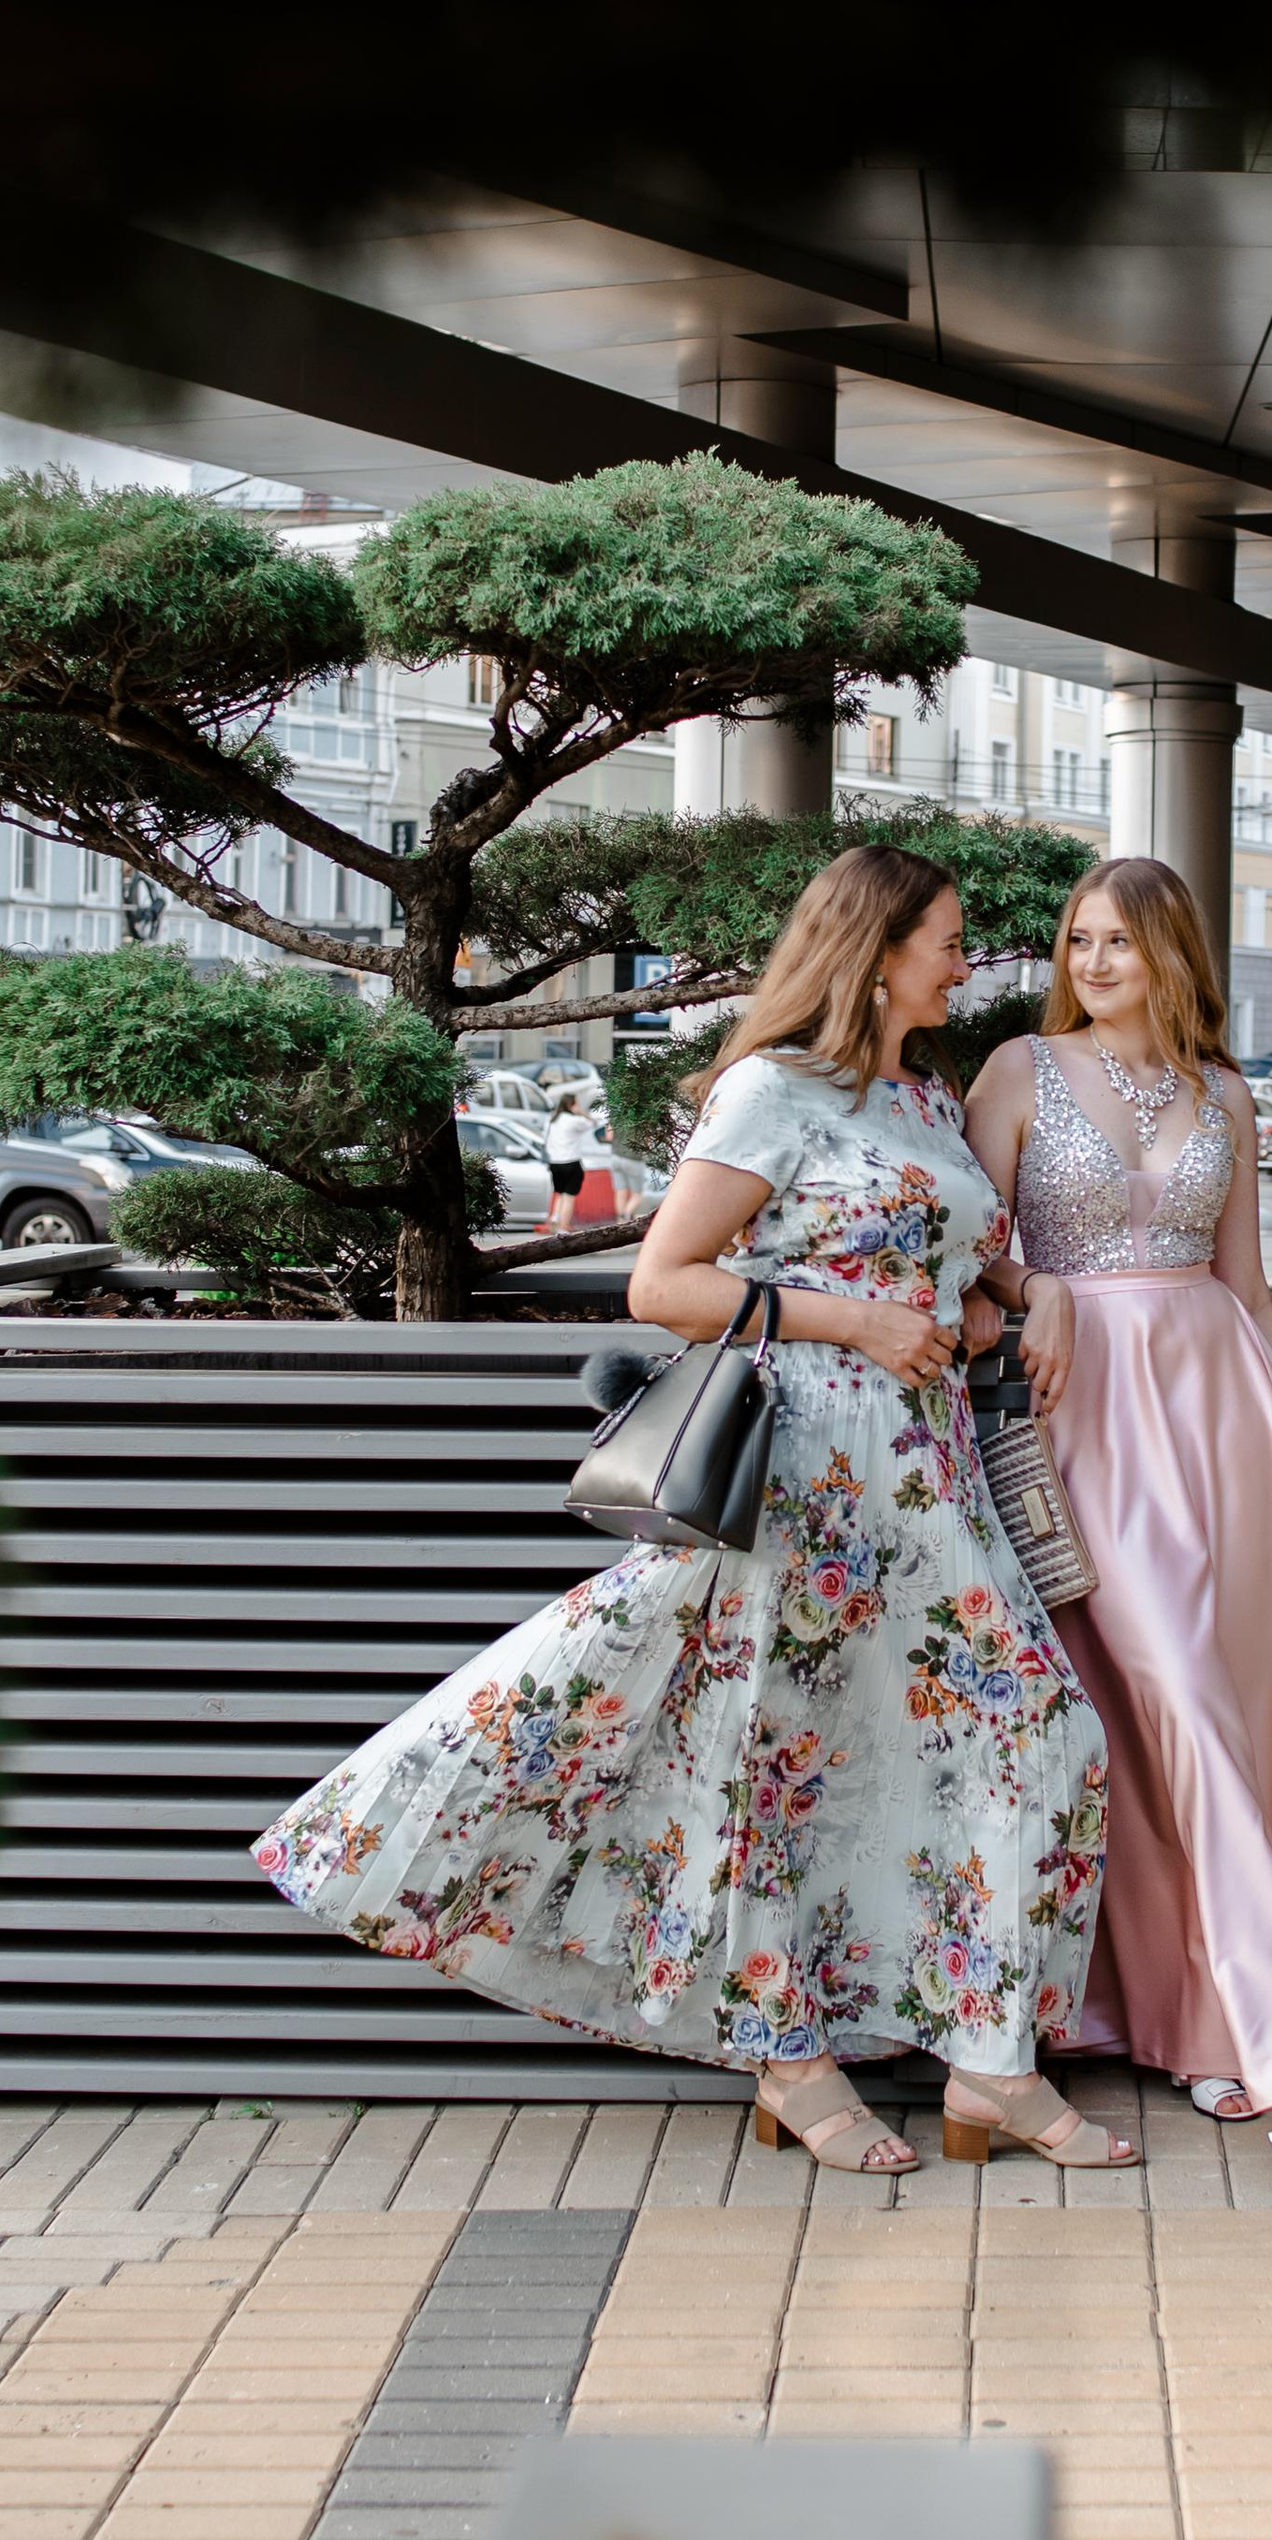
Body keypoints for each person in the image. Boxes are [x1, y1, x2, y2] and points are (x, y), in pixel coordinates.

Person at [253, 843, 1125, 2180]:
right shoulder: (772, 1091)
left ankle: (990, 2062)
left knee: (1034, 1730)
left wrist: (1031, 1287)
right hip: (803, 1470)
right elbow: (661, 1281)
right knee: (771, 1757)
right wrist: (854, 1317)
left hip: (924, 1475)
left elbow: (962, 1254)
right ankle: (793, 2060)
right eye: (948, 937)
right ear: (877, 945)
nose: (970, 960)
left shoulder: (921, 1094)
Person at [966, 856, 1272, 2169]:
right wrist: (1041, 1288)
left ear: (1174, 951)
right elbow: (962, 1248)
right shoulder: (1018, 1072)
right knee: (1176, 1698)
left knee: (1202, 1719)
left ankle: (1189, 2017)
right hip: (1083, 1416)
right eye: (1078, 938)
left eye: (1118, 941)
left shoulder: (1231, 1096)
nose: (1092, 961)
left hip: (1221, 1417)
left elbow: (1251, 1288)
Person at [543, 1096, 599, 1233]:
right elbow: (593, 1123)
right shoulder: (574, 1121)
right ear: (572, 1106)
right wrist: (581, 1112)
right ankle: (564, 1226)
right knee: (569, 1196)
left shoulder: (551, 1121)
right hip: (571, 1162)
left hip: (554, 1163)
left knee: (559, 1193)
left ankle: (555, 1218)